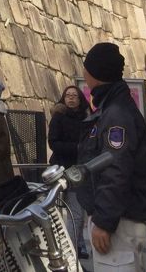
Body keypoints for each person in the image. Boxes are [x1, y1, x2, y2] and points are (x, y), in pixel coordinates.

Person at [77, 42, 146, 272]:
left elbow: (115, 169)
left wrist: (103, 221)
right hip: (118, 220)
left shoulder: (116, 113)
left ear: (95, 73)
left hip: (118, 224)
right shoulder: (112, 107)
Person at [48, 85, 89, 259]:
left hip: (79, 171)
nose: (71, 98)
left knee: (78, 212)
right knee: (64, 212)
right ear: (63, 99)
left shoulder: (87, 118)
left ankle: (78, 245)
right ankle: (72, 249)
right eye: (68, 95)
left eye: (74, 95)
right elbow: (53, 143)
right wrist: (77, 148)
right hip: (61, 169)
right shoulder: (58, 117)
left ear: (80, 99)